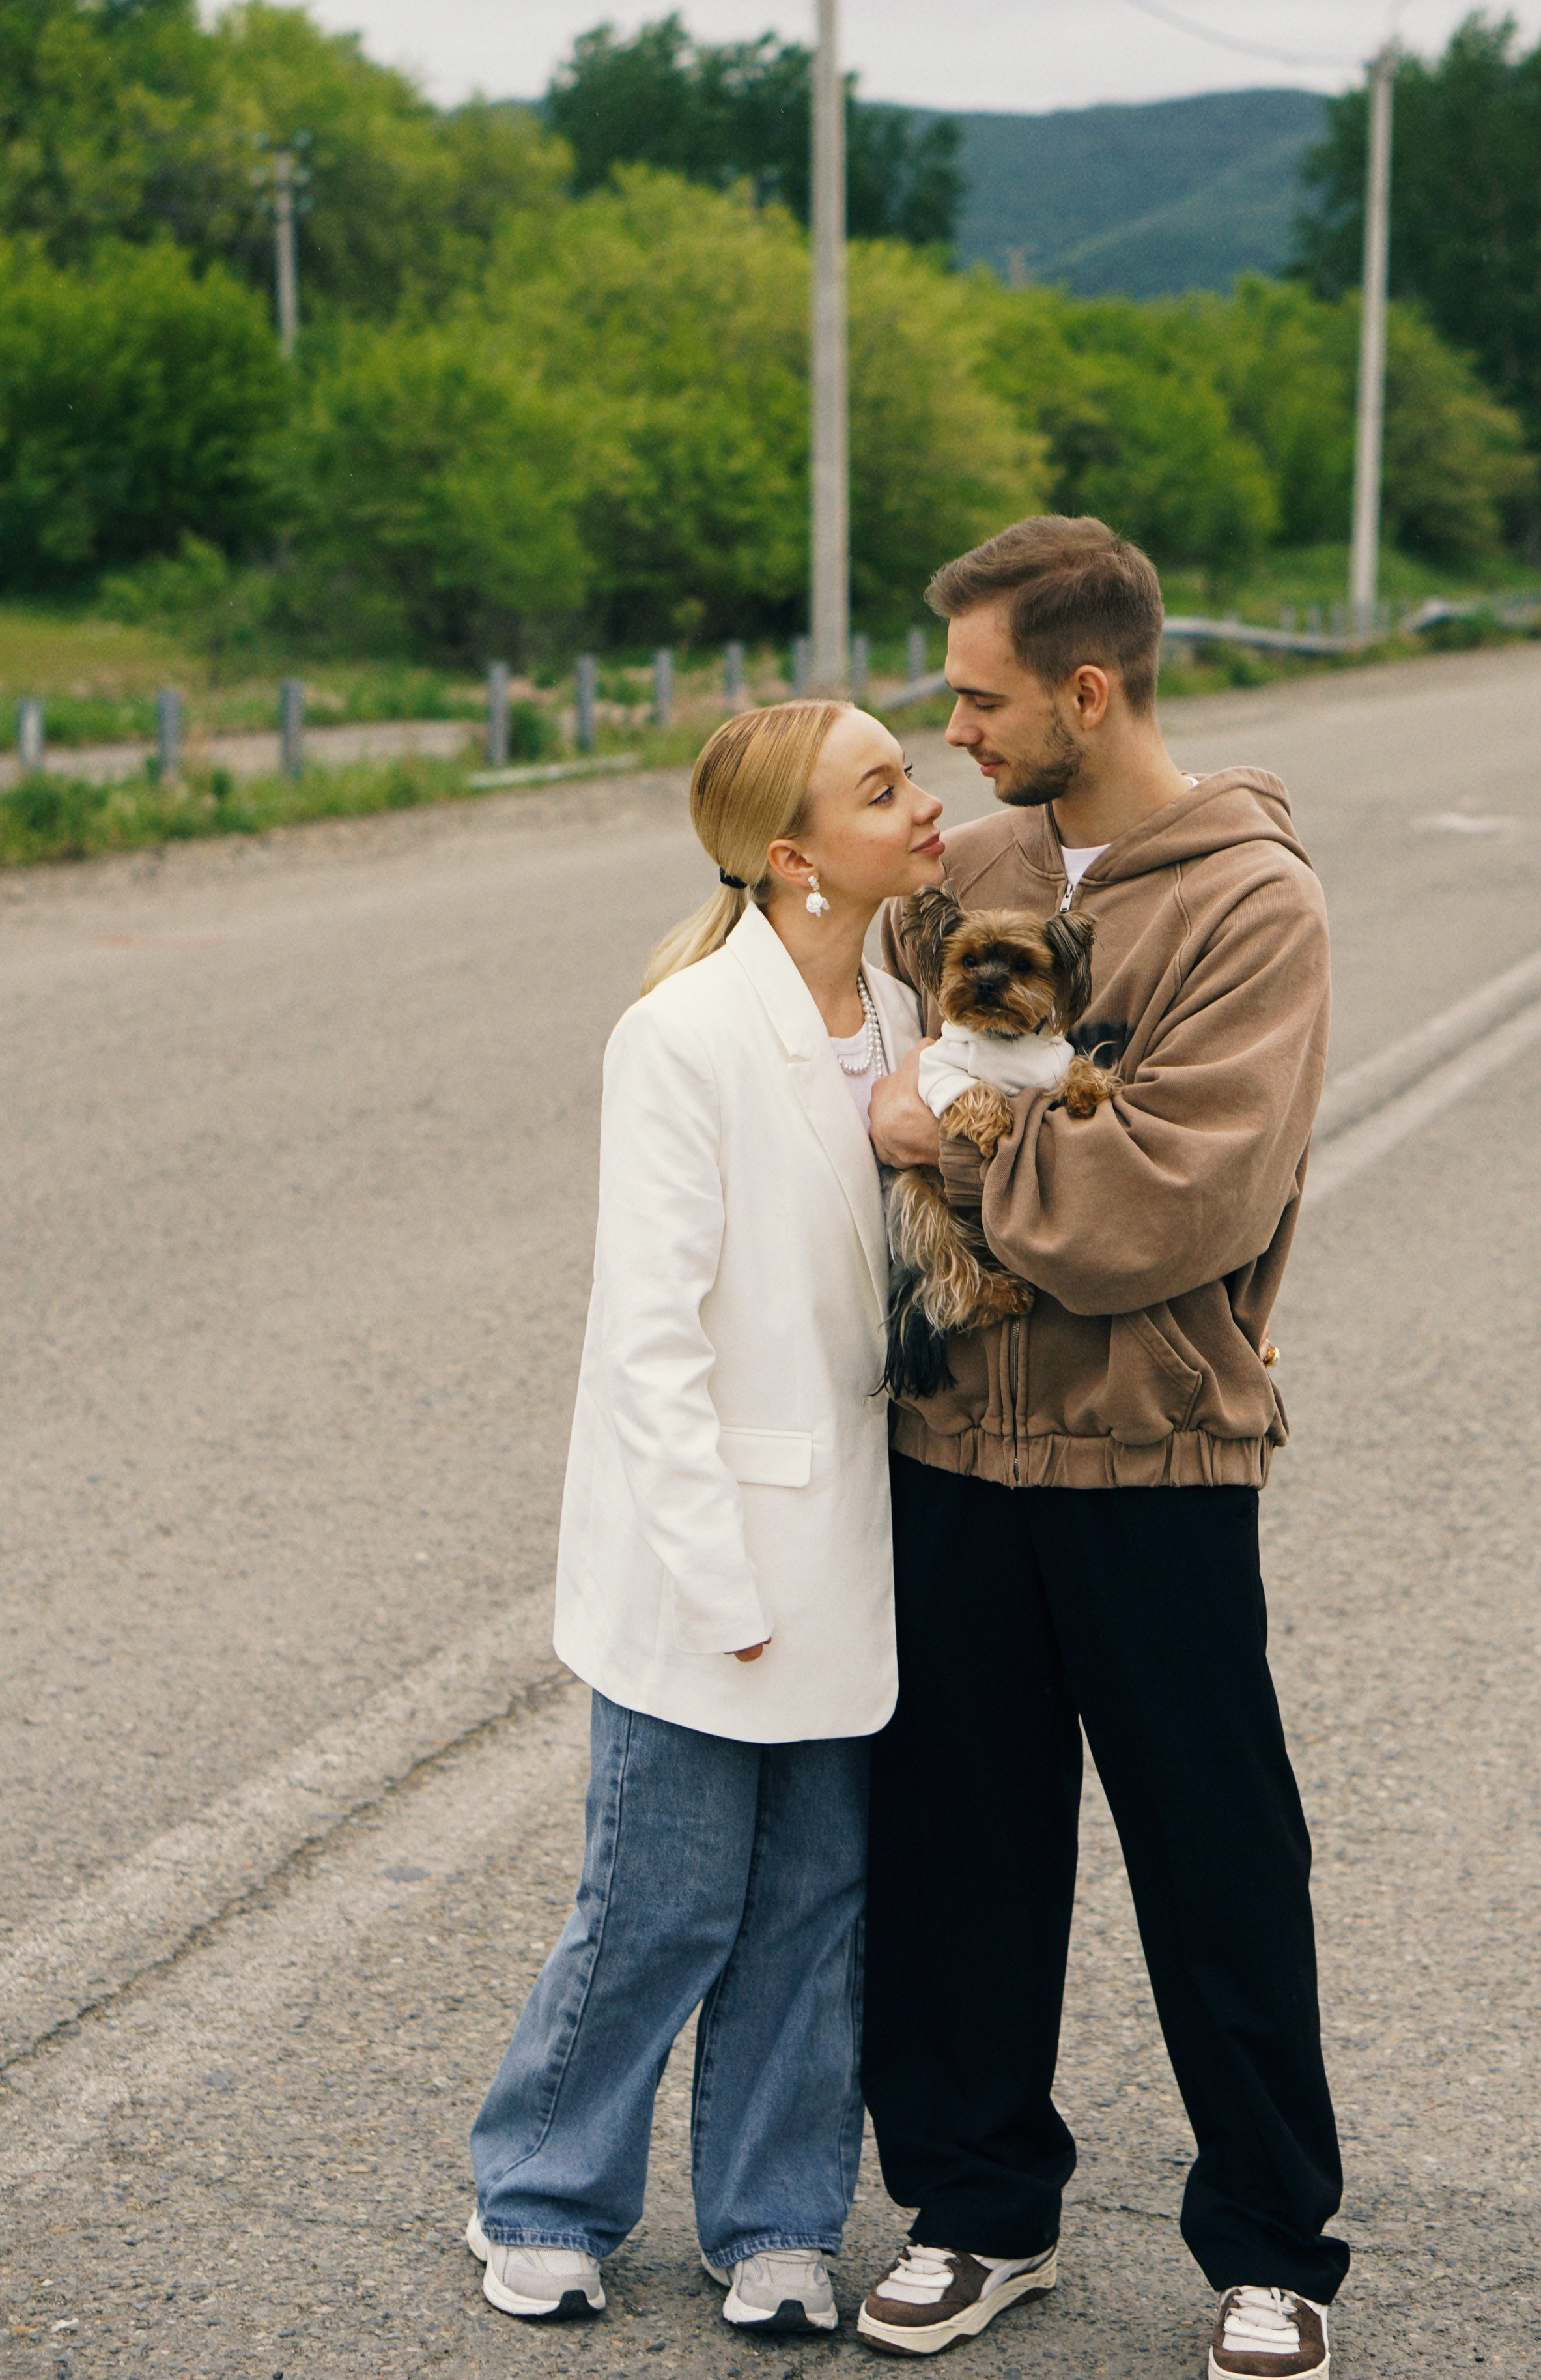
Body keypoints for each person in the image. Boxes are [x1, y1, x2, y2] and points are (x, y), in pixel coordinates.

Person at [856, 519, 1348, 2380]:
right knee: (955, 1851)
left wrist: (940, 1129)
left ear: (1086, 689)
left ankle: (1272, 2251)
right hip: (951, 1444)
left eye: (979, 699)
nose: (954, 732)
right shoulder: (968, 869)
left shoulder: (1250, 906)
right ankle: (978, 2211)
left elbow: (1167, 1200)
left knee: (1216, 1859)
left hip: (1152, 1452)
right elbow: (827, 1030)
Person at [468, 699, 942, 2338]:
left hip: (859, 1549)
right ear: (795, 856)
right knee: (659, 1902)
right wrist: (716, 1580)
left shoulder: (903, 1015)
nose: (921, 800)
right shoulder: (680, 1033)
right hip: (709, 1551)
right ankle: (541, 2196)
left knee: (813, 1908)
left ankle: (777, 2221)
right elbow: (646, 1341)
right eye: (882, 788)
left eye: (910, 771)